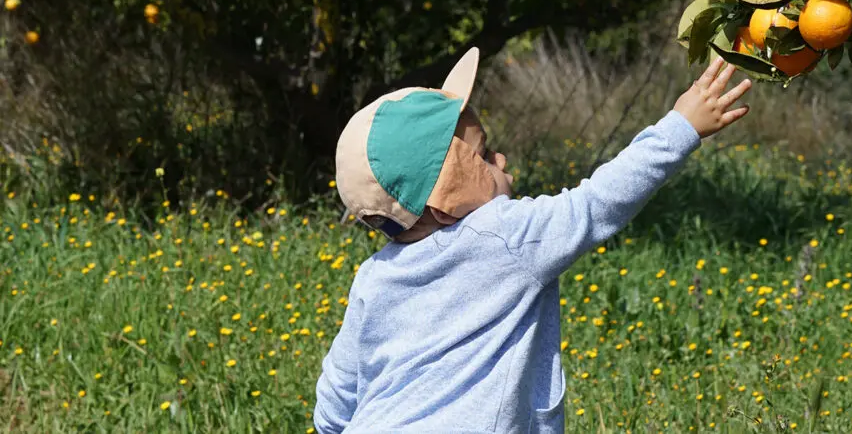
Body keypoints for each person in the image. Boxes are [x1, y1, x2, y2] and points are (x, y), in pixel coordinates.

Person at [315, 48, 752, 433]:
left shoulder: (374, 277)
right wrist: (682, 128)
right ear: (447, 200)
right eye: (485, 155)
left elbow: (334, 404)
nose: (502, 158)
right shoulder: (504, 237)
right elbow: (598, 203)